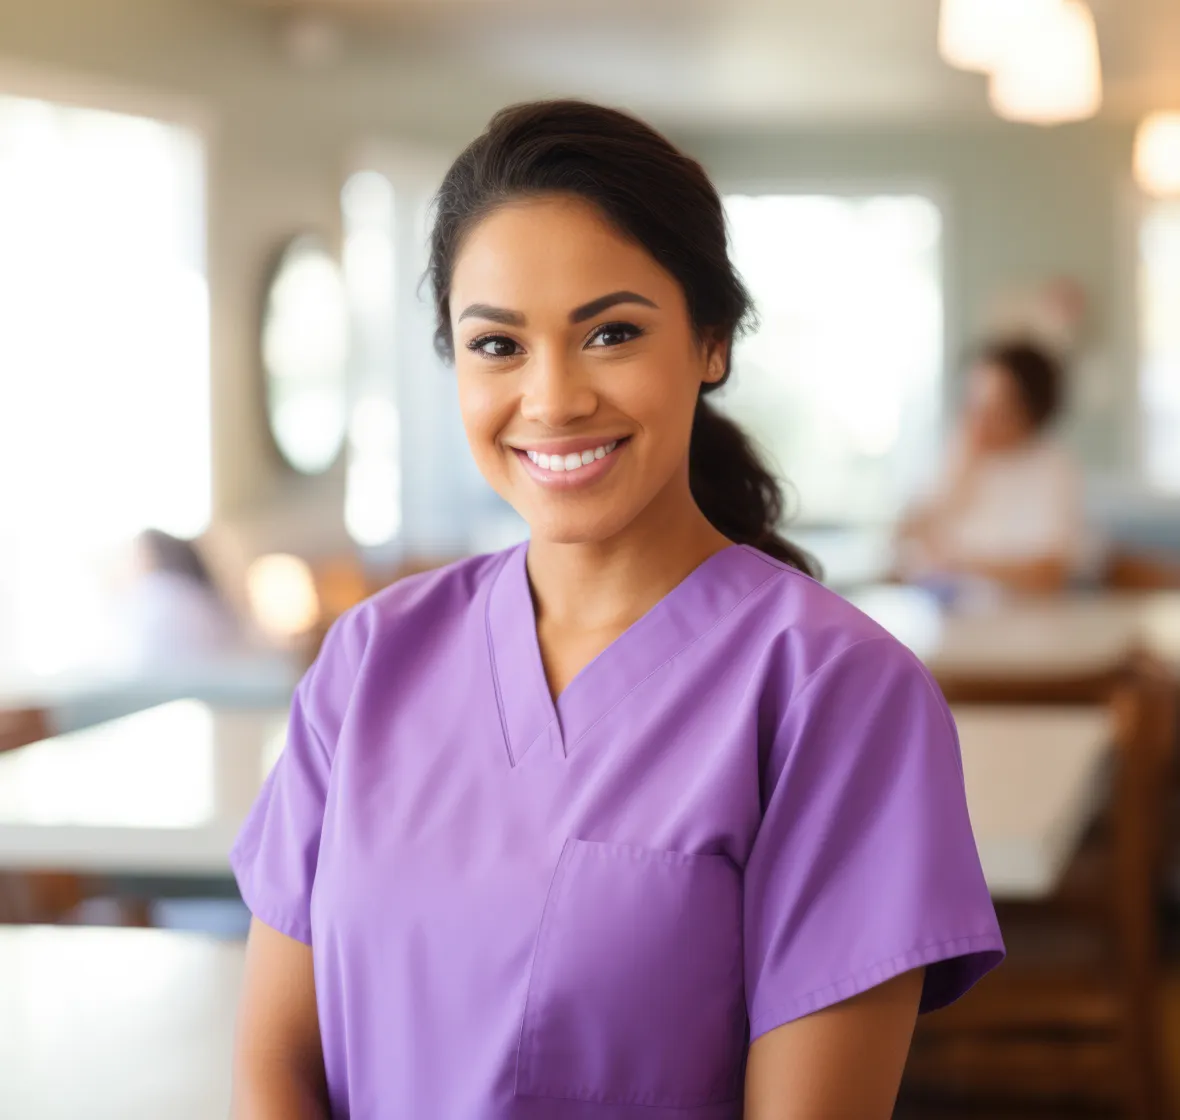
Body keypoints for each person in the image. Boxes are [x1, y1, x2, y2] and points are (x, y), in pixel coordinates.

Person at [230, 100, 1003, 1119]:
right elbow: (275, 1066)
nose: (551, 399)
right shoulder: (370, 658)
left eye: (610, 332)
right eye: (497, 345)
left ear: (711, 341)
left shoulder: (836, 694)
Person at [894, 340, 1091, 596]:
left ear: (1029, 414)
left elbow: (1049, 573)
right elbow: (905, 536)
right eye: (975, 405)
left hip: (1014, 619)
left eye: (996, 410)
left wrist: (959, 563)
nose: (979, 421)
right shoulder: (961, 455)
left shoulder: (1053, 468)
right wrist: (956, 480)